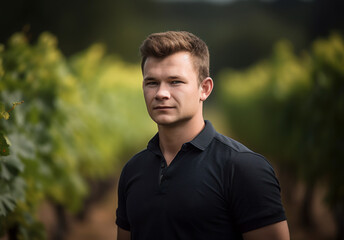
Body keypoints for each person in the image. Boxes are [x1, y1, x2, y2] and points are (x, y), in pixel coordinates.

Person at [116, 31, 290, 240]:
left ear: (204, 89)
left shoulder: (244, 168)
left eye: (175, 82)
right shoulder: (132, 170)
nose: (161, 93)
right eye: (151, 82)